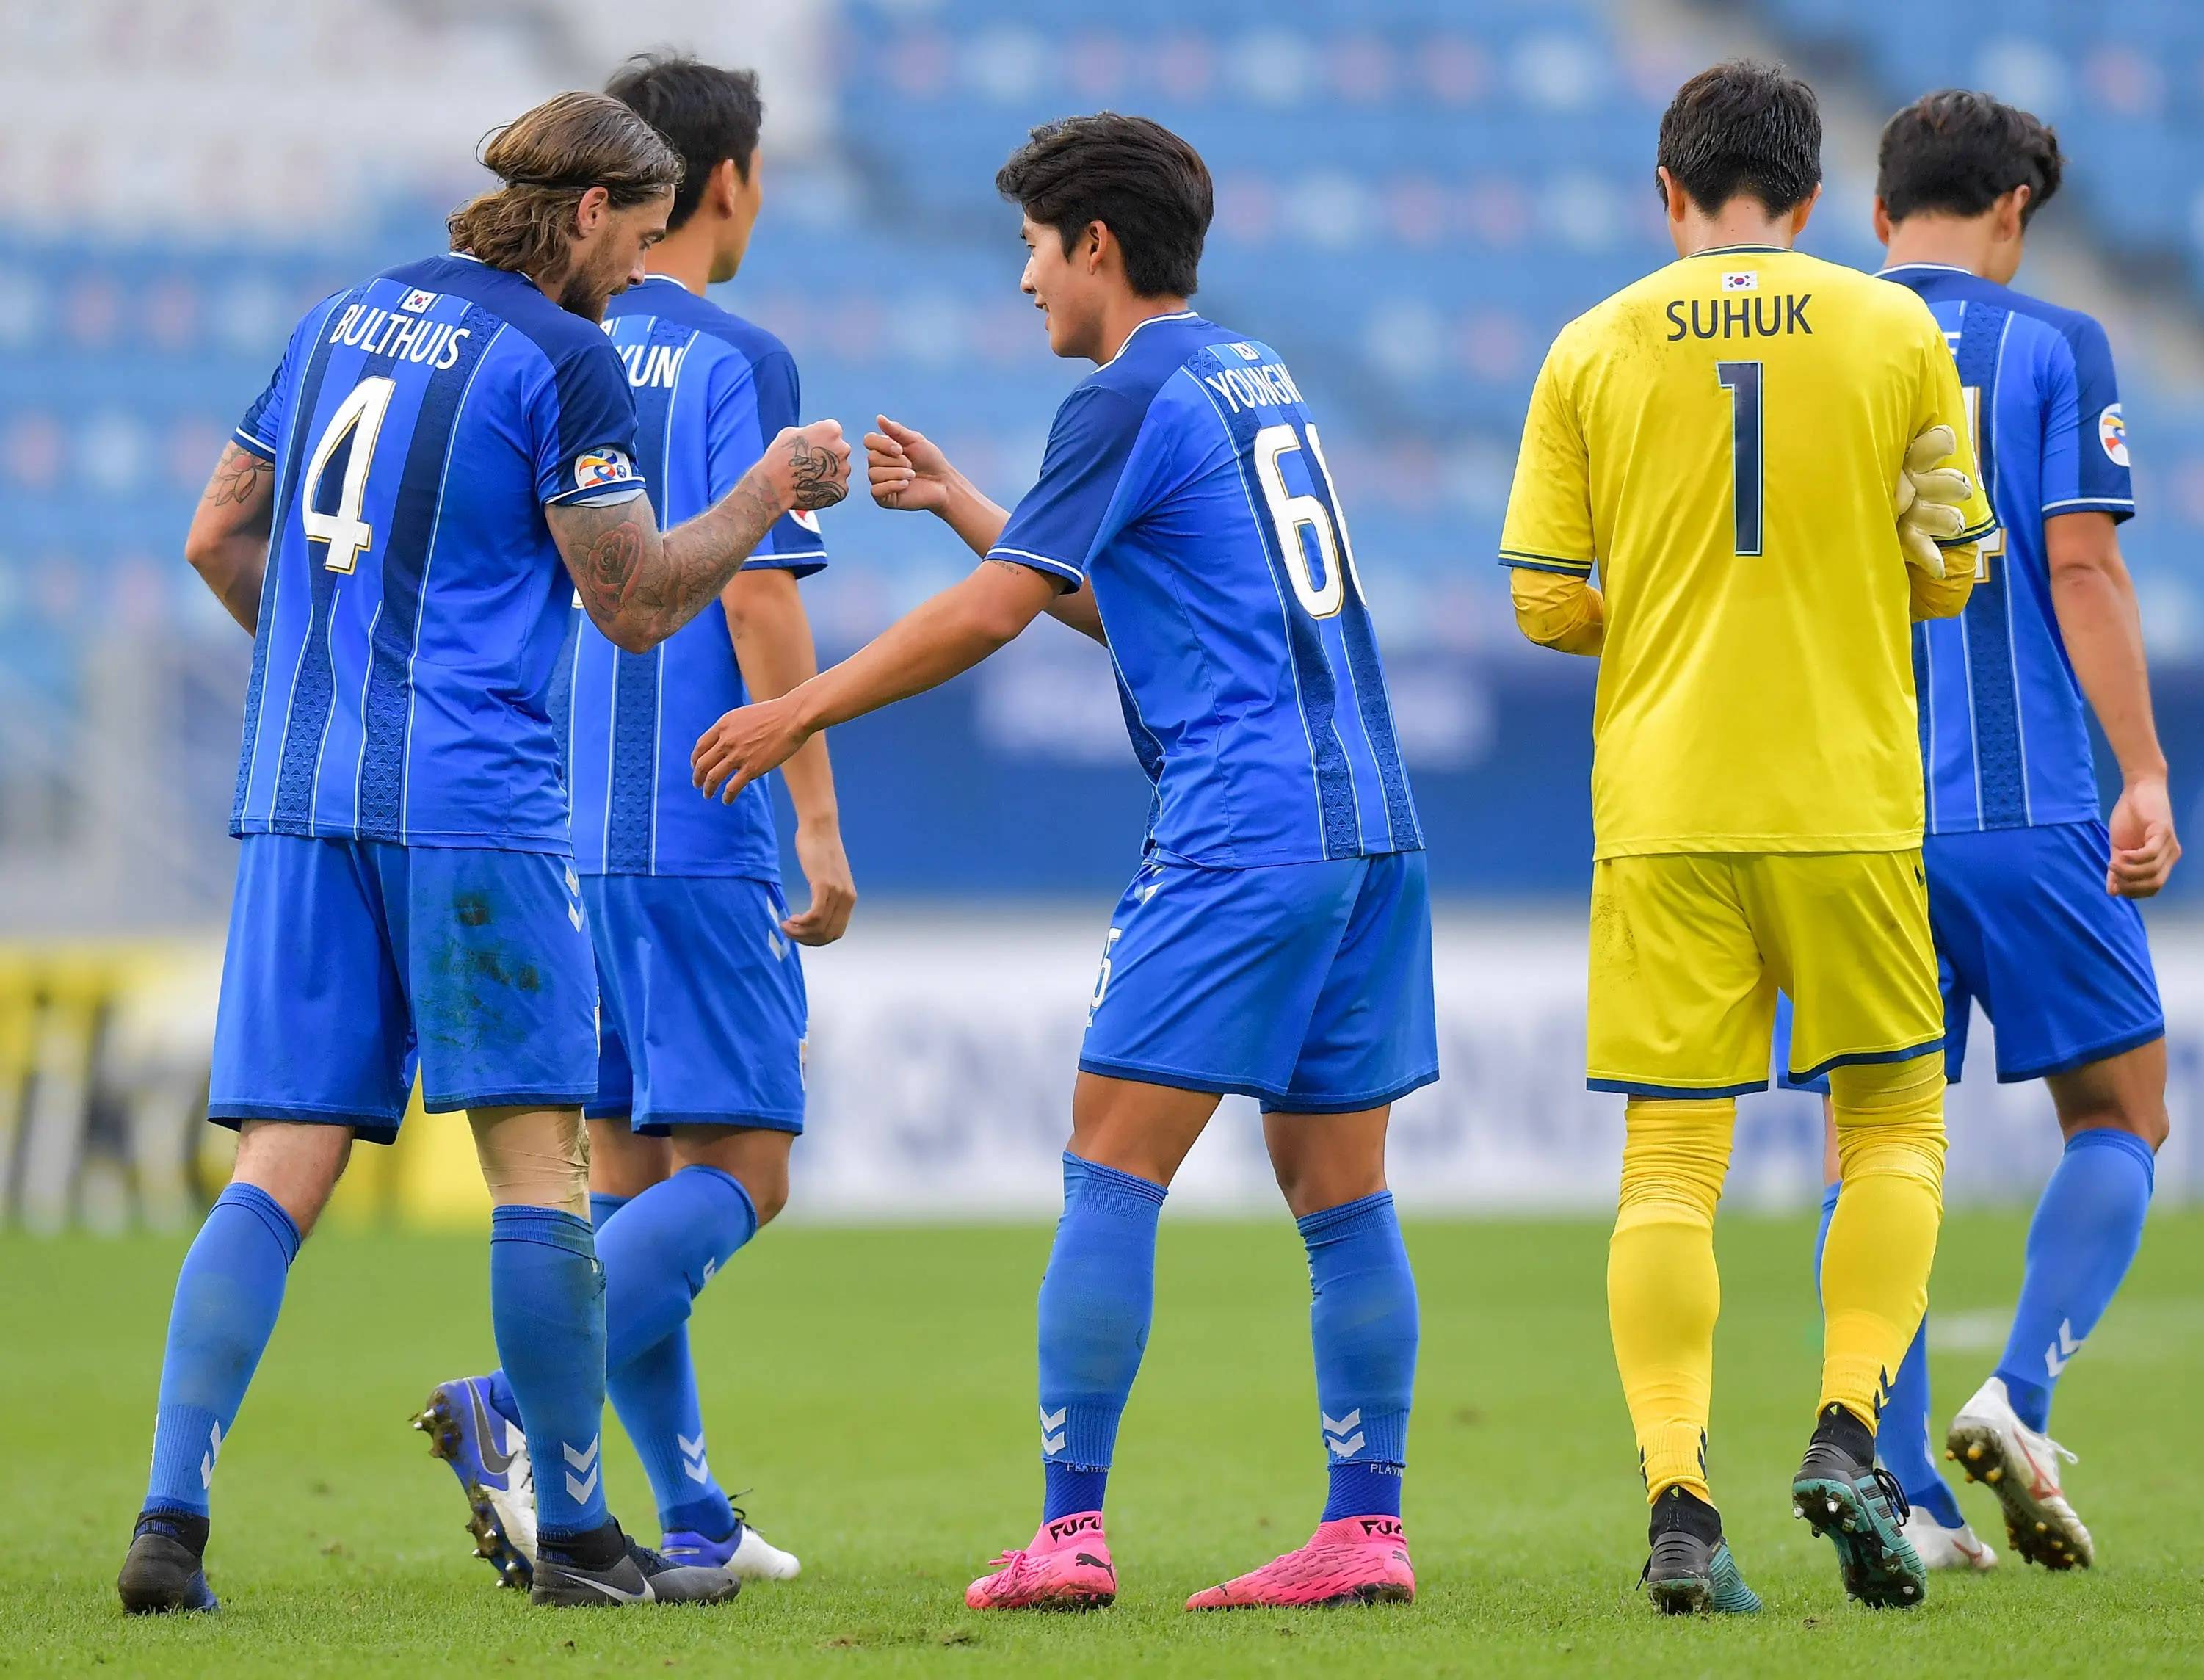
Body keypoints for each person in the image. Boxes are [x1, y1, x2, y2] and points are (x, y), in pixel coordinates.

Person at [691, 112, 1434, 1612]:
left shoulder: (1126, 389)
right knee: (1338, 1186)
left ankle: (1070, 1532)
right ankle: (1365, 1529)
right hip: (1372, 822)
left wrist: (797, 705)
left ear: (1097, 245)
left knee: (1109, 1161)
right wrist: (977, 508)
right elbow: (1144, 606)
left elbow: (989, 618)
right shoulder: (1253, 373)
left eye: (1035, 244)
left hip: (1245, 826)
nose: (1025, 277)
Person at [120, 90, 849, 1615]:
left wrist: (332, 680)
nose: (637, 267)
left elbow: (215, 532)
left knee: (278, 1165)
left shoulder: (337, 317)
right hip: (473, 807)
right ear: (589, 213)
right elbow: (637, 598)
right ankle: (579, 1532)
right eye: (636, 236)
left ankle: (169, 1520)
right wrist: (768, 493)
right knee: (541, 1167)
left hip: (301, 795)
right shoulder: (564, 358)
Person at [1503, 60, 1994, 1612]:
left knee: (1670, 1162)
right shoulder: (1898, 327)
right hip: (1846, 800)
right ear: (1817, 191)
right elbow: (1955, 569)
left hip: (1666, 809)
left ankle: (1679, 1503)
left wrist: (1659, 611)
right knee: (1898, 1126)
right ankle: (1851, 1424)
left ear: (1671, 193)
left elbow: (1540, 597)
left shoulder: (1590, 345)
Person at [413, 55, 855, 1594]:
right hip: (695, 822)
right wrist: (814, 811)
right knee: (750, 1169)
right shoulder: (742, 356)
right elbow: (751, 587)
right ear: (723, 184)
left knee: (633, 1177)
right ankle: (510, 1396)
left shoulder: (548, 342)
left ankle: (688, 1517)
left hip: (561, 828)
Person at [1775, 88, 2178, 1576]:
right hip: (2023, 808)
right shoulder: (2053, 344)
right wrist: (2142, 769)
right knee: (2122, 1116)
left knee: (1876, 1150)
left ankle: (1898, 1489)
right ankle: (2020, 1391)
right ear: (2014, 212)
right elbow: (2079, 569)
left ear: (1880, 216)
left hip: (1849, 815)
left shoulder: (1808, 344)